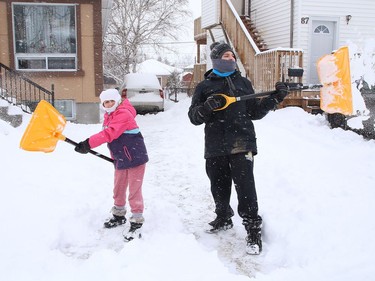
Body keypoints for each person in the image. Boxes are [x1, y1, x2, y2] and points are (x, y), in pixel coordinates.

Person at [188, 41, 288, 255]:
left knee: (245, 187)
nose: (231, 59)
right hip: (215, 145)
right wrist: (206, 108)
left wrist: (274, 99)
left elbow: (255, 112)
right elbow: (194, 117)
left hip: (242, 142)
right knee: (219, 185)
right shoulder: (204, 87)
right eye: (226, 56)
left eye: (232, 57)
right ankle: (223, 217)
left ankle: (253, 230)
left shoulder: (243, 83)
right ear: (216, 59)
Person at [74, 89, 148, 241]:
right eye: (105, 102)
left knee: (134, 190)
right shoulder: (109, 115)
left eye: (111, 101)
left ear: (117, 100)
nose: (108, 104)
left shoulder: (123, 114)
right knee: (119, 187)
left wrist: (88, 144)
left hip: (135, 156)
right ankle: (119, 214)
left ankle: (136, 221)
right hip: (121, 158)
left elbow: (110, 134)